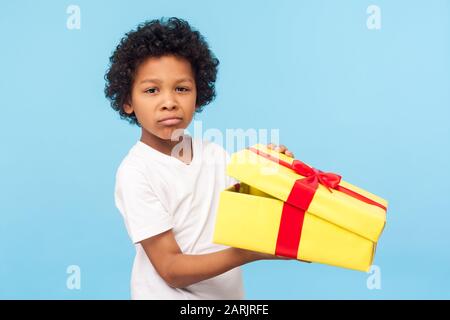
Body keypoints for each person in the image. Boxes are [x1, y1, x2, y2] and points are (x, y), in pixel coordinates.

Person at [104, 17, 294, 299]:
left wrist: (272, 172)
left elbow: (247, 208)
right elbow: (170, 267)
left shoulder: (215, 154)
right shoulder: (136, 173)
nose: (169, 101)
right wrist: (245, 253)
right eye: (151, 90)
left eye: (181, 88)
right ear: (128, 102)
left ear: (198, 94)